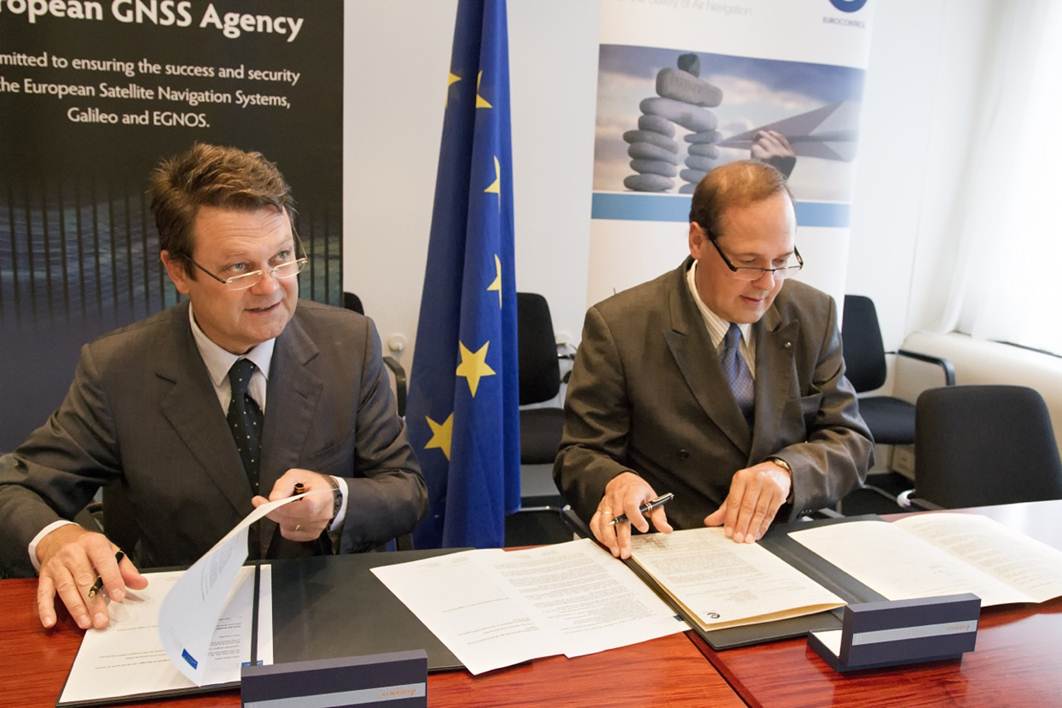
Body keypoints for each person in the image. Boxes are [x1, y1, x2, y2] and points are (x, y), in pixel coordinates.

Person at [0, 143, 427, 630]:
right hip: (180, 622)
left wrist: (336, 498)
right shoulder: (117, 369)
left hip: (323, 608)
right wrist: (56, 537)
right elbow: (13, 485)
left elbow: (406, 489)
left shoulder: (349, 343)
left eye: (282, 257)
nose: (270, 287)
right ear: (178, 271)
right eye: (238, 268)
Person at [554, 160, 872, 559]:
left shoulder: (812, 313)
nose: (768, 282)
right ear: (698, 241)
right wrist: (616, 481)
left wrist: (786, 471)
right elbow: (580, 454)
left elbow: (851, 441)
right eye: (749, 262)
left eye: (781, 261)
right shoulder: (621, 326)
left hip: (777, 542)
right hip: (668, 543)